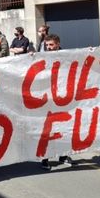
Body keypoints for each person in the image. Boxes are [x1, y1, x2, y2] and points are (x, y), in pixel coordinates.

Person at [40, 34, 76, 170]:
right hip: (48, 99)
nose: (49, 48)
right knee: (47, 129)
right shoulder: (41, 57)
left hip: (63, 98)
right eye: (47, 45)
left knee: (64, 128)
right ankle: (44, 158)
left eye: (51, 45)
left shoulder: (66, 55)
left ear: (58, 44)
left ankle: (63, 155)